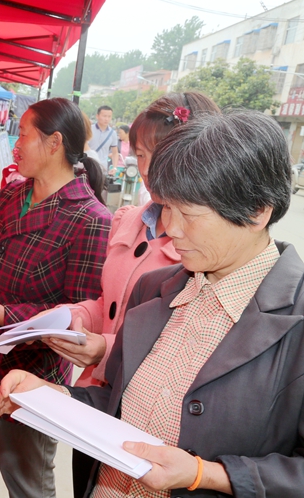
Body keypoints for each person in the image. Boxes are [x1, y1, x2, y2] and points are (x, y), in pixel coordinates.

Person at [0, 109, 300, 498]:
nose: (172, 228)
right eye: (167, 207)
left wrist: (205, 474)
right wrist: (53, 397)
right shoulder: (155, 290)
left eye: (189, 214)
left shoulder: (294, 321)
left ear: (256, 211)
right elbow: (119, 403)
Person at [37, 92, 220, 497]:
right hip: (98, 399)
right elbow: (108, 301)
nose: (149, 169)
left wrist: (105, 348)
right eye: (140, 155)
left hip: (154, 420)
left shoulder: (206, 247)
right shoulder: (129, 220)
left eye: (161, 155)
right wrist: (75, 317)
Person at [0, 98, 112, 498]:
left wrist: (4, 315)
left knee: (27, 482)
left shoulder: (91, 220)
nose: (15, 145)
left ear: (54, 143)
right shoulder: (12, 194)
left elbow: (80, 315)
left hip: (33, 373)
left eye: (23, 135)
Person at [88, 105, 119, 173]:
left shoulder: (112, 133)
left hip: (102, 169)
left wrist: (114, 168)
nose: (106, 119)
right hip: (87, 166)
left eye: (109, 116)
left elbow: (115, 152)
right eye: (104, 116)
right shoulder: (89, 129)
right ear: (97, 116)